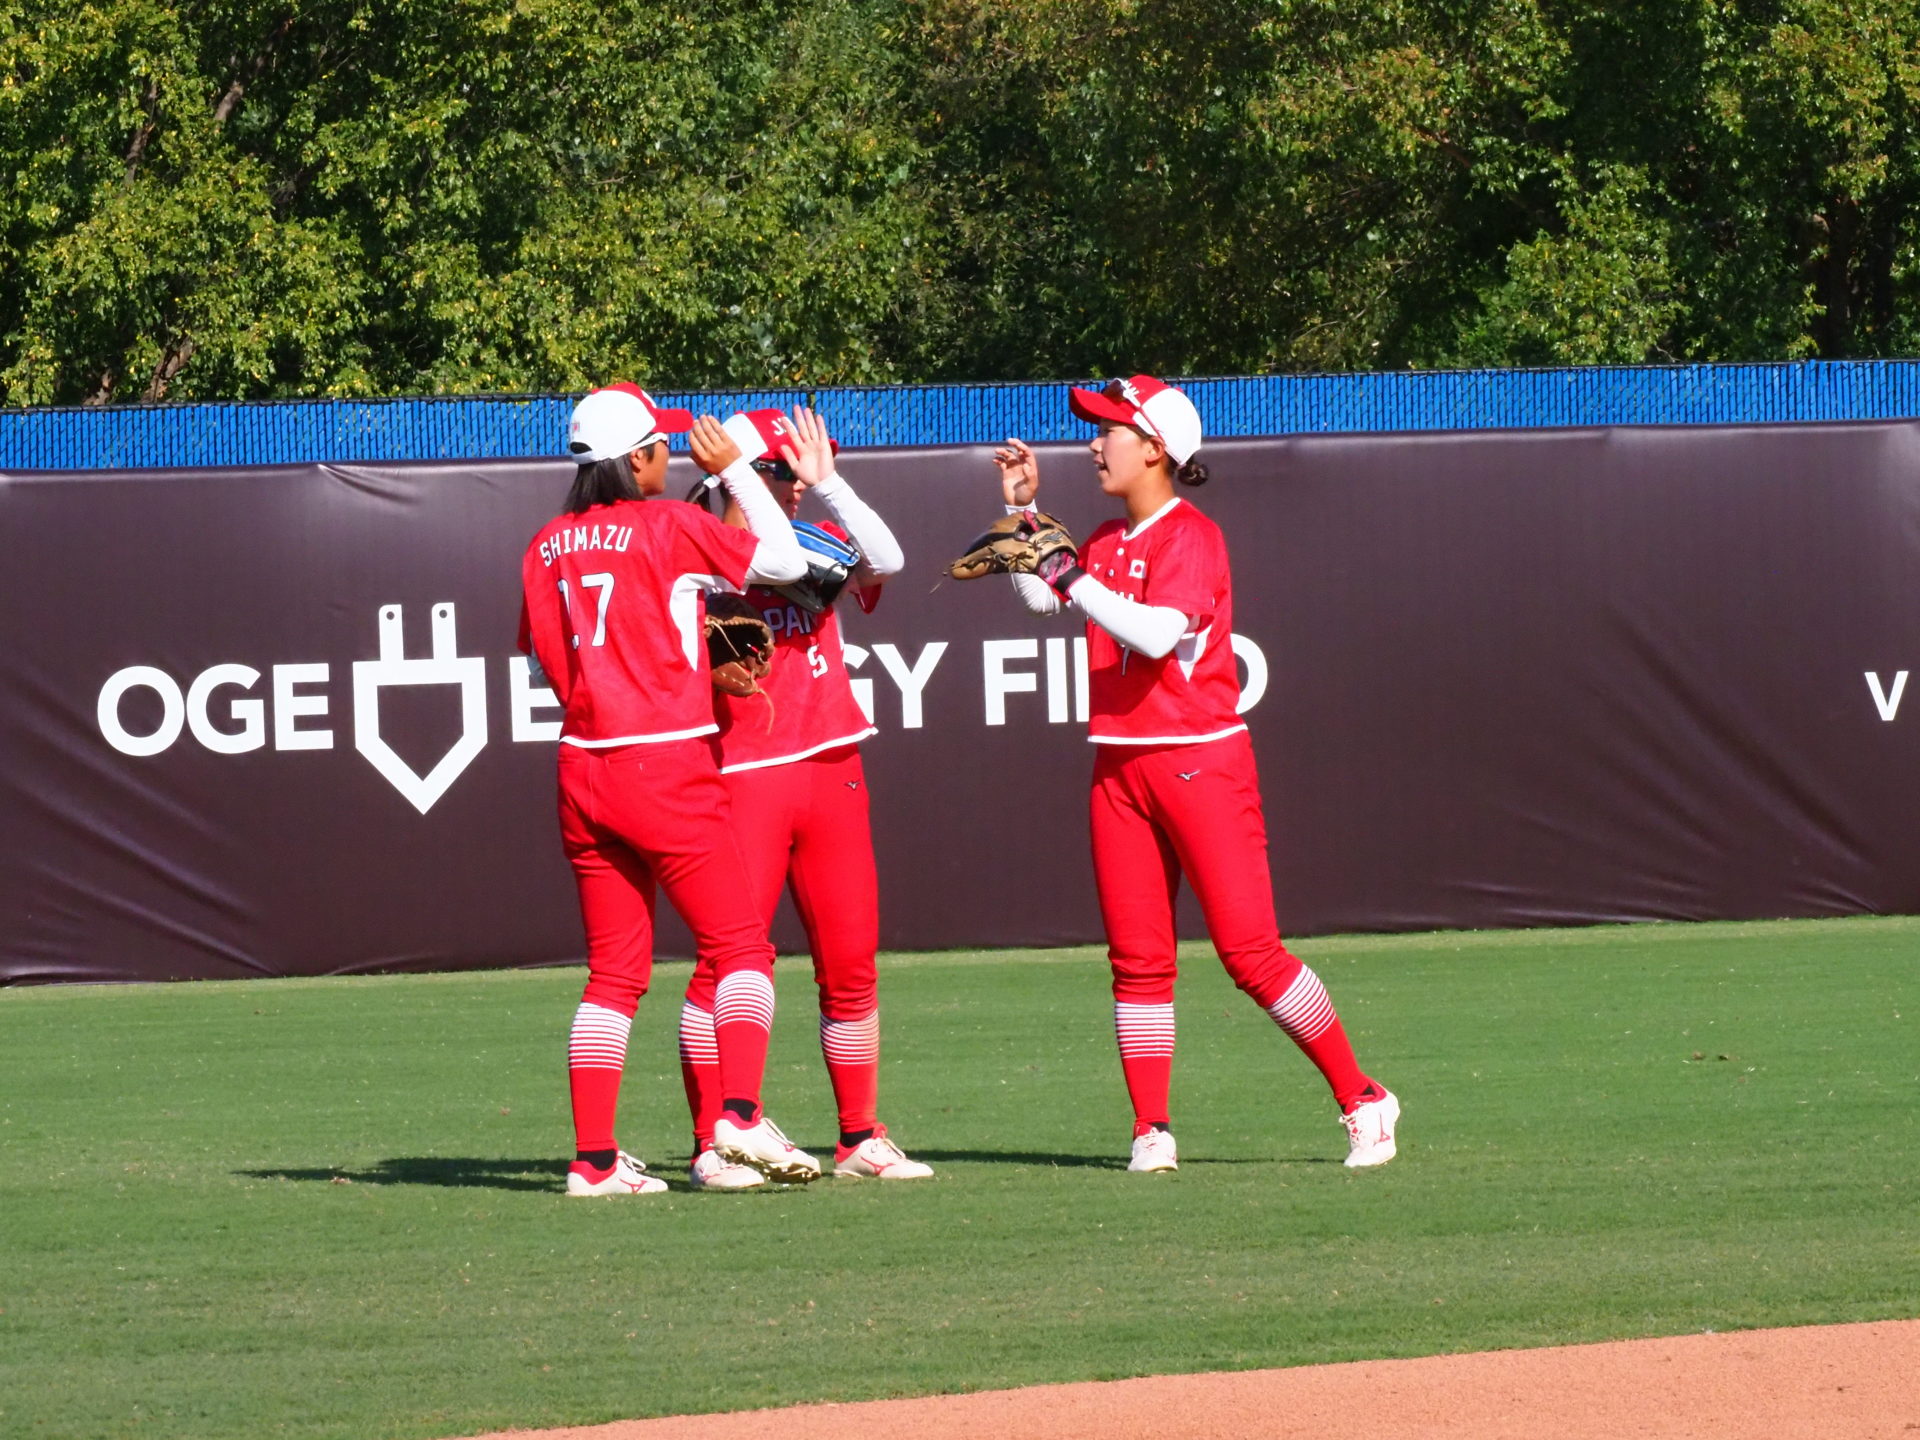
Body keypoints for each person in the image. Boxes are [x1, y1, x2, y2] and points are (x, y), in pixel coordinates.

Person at [982, 375, 1400, 1172]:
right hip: (1119, 766)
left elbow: (1151, 633)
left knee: (1251, 954)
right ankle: (1151, 1129)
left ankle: (1363, 1098)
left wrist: (1069, 574)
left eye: (1109, 429)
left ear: (1155, 448)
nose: (1094, 443)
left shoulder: (1193, 537)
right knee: (1138, 959)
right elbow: (1042, 602)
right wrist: (1024, 516)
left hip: (1199, 761)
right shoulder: (1106, 538)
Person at [519, 383, 823, 1195]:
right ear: (640, 458)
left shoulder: (545, 544)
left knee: (614, 974)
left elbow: (542, 663)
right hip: (663, 764)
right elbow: (786, 563)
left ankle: (593, 1161)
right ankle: (741, 1113)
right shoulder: (668, 524)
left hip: (583, 766)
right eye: (660, 445)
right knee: (741, 948)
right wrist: (739, 473)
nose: (668, 456)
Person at [676, 406, 934, 1188]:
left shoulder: (808, 536)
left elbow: (887, 558)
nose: (792, 485)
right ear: (738, 471)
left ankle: (859, 1137)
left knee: (851, 963)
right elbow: (758, 566)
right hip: (740, 772)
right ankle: (713, 1142)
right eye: (780, 472)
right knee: (725, 963)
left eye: (794, 473)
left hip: (832, 764)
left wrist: (831, 483)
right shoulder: (691, 546)